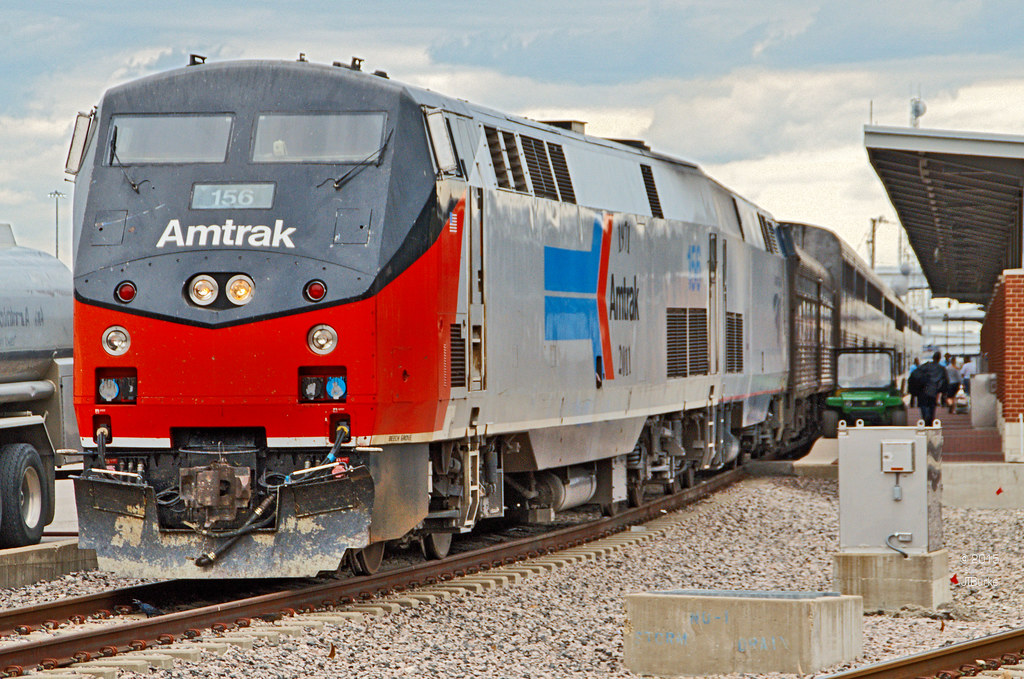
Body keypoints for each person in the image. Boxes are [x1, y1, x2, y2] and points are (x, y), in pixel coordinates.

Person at [908, 351, 948, 426]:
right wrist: (944, 392)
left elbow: (915, 375)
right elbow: (945, 381)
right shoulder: (941, 368)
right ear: (939, 359)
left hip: (922, 389)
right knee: (931, 405)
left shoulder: (924, 366)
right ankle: (929, 419)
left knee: (923, 405)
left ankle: (925, 417)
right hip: (933, 390)